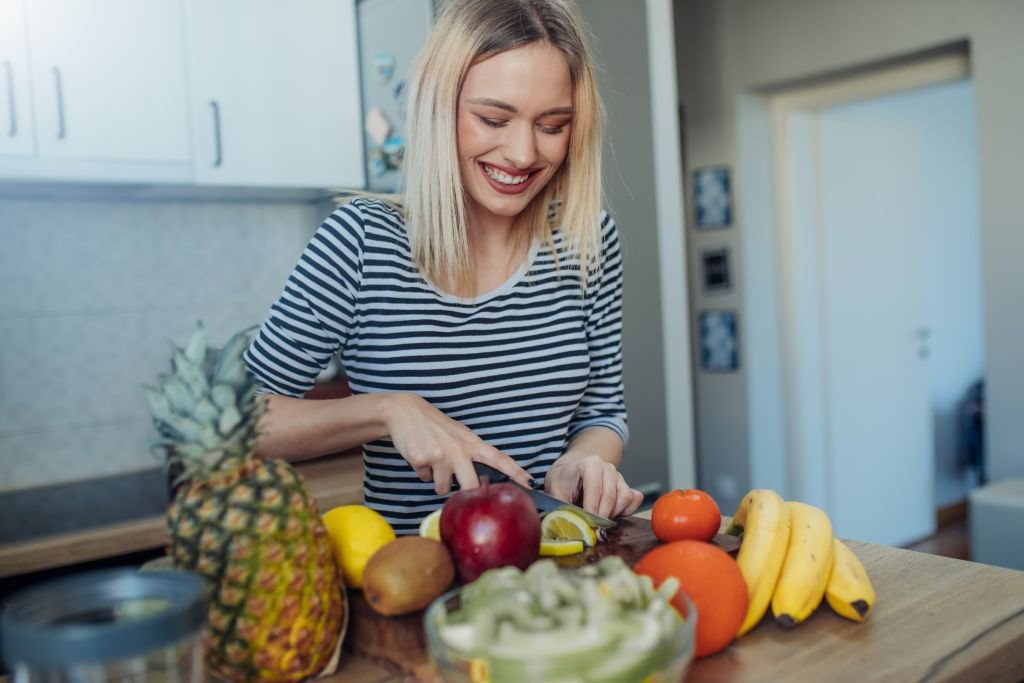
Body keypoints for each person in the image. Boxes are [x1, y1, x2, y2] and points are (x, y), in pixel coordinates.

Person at [243, 0, 644, 534]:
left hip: (558, 568)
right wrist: (388, 411)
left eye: (552, 125)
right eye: (493, 119)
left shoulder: (587, 239)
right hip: (415, 582)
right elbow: (243, 421)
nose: (523, 153)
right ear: (440, 107)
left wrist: (583, 461)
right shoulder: (361, 242)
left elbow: (602, 412)